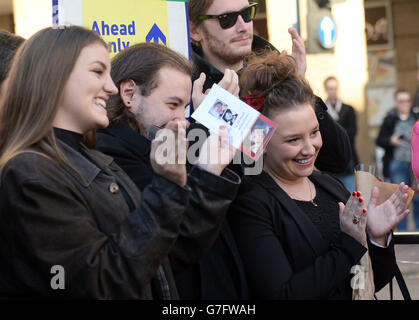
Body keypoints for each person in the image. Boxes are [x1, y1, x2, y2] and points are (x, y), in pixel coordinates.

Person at [0, 26, 232, 299]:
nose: (111, 87)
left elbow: (162, 259)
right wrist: (168, 186)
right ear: (55, 75)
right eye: (98, 72)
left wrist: (207, 175)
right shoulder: (30, 173)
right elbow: (101, 284)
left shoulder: (96, 159)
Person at [228, 51, 410, 299]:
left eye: (314, 132)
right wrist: (349, 245)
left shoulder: (329, 185)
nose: (309, 148)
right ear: (262, 141)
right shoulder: (252, 203)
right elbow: (282, 294)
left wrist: (377, 239)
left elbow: (370, 282)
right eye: (293, 139)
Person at [95, 42, 244, 300]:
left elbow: (253, 171)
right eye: (172, 104)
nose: (182, 119)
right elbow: (174, 241)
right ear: (129, 94)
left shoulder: (161, 138)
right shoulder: (109, 155)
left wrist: (212, 121)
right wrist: (206, 167)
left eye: (186, 108)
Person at [188, 0, 352, 175]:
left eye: (246, 14)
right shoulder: (188, 88)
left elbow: (338, 161)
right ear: (195, 30)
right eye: (226, 19)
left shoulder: (274, 74)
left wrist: (298, 86)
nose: (243, 26)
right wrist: (211, 118)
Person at [376, 89, 419, 231]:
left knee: (418, 199)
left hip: (416, 165)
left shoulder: (416, 117)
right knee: (401, 200)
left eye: (407, 100)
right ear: (396, 102)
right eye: (401, 101)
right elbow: (380, 140)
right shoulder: (390, 119)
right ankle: (402, 234)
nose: (405, 104)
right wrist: (390, 140)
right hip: (397, 164)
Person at [324, 76, 359, 191]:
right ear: (325, 89)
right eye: (330, 88)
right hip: (329, 164)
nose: (333, 91)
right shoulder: (321, 111)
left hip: (348, 161)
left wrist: (332, 134)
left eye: (335, 88)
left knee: (351, 196)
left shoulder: (348, 109)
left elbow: (352, 133)